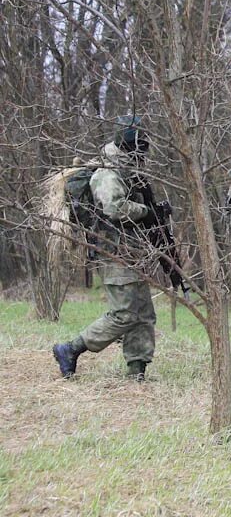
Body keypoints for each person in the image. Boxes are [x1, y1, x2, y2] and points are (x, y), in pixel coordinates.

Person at [52, 117, 164, 381]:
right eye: (139, 148)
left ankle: (137, 371)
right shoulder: (109, 171)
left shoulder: (127, 168)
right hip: (114, 251)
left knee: (143, 314)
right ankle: (70, 349)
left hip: (131, 251)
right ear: (127, 147)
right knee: (124, 314)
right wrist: (146, 212)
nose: (142, 154)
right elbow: (113, 208)